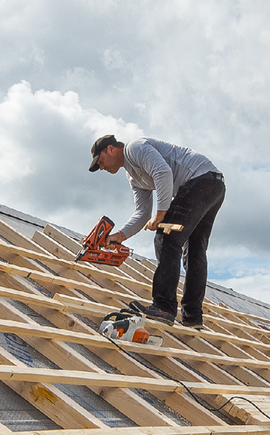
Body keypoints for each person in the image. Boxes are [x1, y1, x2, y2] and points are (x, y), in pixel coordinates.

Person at [89, 134, 224, 327]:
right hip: (213, 184)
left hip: (200, 180)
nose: (101, 167)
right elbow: (143, 212)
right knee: (194, 250)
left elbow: (163, 172)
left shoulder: (134, 148)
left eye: (101, 161)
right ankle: (192, 316)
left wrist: (161, 215)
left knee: (166, 238)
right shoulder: (133, 176)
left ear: (110, 149)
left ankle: (164, 306)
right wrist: (120, 235)